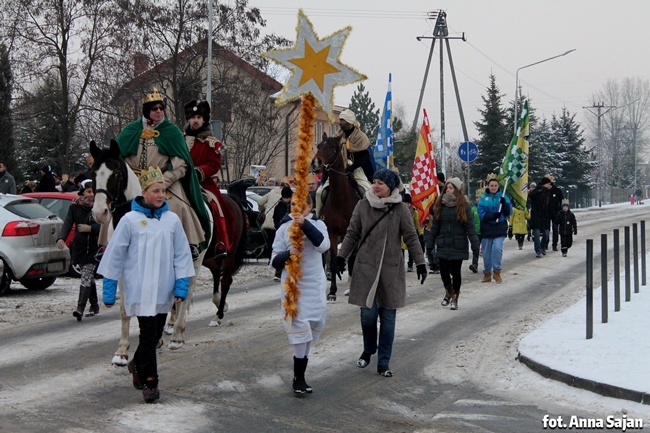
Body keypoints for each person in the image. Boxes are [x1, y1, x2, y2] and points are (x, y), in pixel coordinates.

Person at [98, 166, 195, 403]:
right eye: (156, 191)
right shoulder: (130, 220)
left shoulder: (172, 220)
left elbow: (181, 255)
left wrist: (181, 286)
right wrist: (109, 290)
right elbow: (114, 256)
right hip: (139, 290)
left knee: (153, 336)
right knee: (148, 333)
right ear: (144, 192)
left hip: (163, 291)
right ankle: (151, 382)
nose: (161, 195)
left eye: (163, 191)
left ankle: (136, 364)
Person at [336, 169, 427, 377]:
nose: (376, 186)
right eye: (374, 181)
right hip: (366, 267)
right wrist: (341, 257)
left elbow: (411, 237)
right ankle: (369, 349)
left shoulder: (401, 209)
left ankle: (384, 362)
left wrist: (420, 262)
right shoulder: (363, 205)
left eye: (380, 183)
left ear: (391, 187)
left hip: (390, 269)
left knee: (388, 318)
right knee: (368, 316)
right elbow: (352, 234)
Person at [115, 87, 209, 261]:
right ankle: (107, 245)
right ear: (146, 111)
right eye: (154, 108)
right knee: (114, 205)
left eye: (161, 108)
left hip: (165, 180)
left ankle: (189, 243)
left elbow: (181, 162)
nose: (158, 111)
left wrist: (163, 181)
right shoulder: (130, 130)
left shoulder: (171, 131)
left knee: (179, 206)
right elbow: (118, 159)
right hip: (134, 180)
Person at [270, 194, 330, 395]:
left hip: (313, 286)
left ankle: (301, 375)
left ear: (310, 207)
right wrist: (288, 254)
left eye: (301, 205)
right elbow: (274, 261)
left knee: (309, 331)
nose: (296, 208)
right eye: (294, 204)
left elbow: (322, 245)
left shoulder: (319, 225)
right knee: (298, 328)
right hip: (293, 287)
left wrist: (305, 225)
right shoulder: (283, 229)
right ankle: (299, 378)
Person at [184, 99, 229, 259]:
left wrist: (199, 172)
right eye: (192, 117)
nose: (195, 121)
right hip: (180, 181)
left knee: (215, 205)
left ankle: (220, 242)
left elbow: (214, 164)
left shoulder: (212, 143)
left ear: (204, 119)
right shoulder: (181, 140)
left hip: (201, 183)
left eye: (198, 117)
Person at [428, 177, 480, 310]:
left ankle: (455, 297)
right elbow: (435, 226)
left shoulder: (464, 206)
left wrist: (475, 244)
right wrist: (430, 242)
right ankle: (448, 291)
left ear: (457, 190)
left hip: (458, 244)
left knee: (456, 272)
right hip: (443, 243)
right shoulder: (440, 204)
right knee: (444, 272)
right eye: (447, 187)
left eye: (451, 188)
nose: (448, 190)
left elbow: (470, 227)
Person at [56, 179, 101, 320]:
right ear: (82, 192)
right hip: (80, 248)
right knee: (88, 276)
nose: (91, 194)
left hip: (95, 247)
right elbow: (68, 223)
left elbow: (107, 225)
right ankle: (94, 305)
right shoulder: (75, 207)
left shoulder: (100, 207)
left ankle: (80, 308)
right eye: (88, 191)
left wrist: (92, 228)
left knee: (86, 275)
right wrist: (61, 238)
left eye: (94, 191)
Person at [477, 174, 512, 283]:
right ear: (488, 186)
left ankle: (497, 271)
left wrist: (504, 205)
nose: (493, 187)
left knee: (497, 248)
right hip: (487, 228)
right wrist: (491, 216)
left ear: (498, 186)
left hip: (499, 227)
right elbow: (481, 213)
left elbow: (509, 211)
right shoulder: (483, 199)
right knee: (486, 252)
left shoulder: (503, 197)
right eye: (491, 185)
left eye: (495, 185)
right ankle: (487, 272)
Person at [529, 177, 552, 258]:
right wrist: (539, 191)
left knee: (546, 234)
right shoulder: (537, 190)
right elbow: (531, 195)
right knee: (537, 234)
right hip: (536, 216)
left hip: (545, 216)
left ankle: (543, 247)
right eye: (549, 184)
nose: (550, 185)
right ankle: (538, 250)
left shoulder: (548, 192)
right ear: (545, 184)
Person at [401, 194, 424, 272]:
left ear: (410, 204)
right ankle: (401, 263)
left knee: (411, 251)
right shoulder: (400, 211)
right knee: (401, 251)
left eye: (407, 203)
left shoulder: (414, 212)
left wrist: (420, 233)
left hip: (410, 234)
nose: (405, 205)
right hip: (401, 235)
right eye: (404, 203)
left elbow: (417, 224)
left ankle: (410, 265)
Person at [544, 175, 564, 251]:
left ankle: (554, 244)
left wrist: (561, 211)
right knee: (546, 229)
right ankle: (545, 244)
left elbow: (561, 200)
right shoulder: (544, 191)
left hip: (556, 213)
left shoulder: (557, 190)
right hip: (546, 212)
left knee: (555, 229)